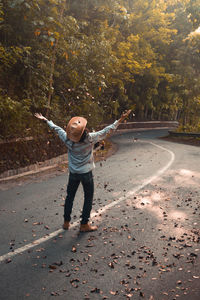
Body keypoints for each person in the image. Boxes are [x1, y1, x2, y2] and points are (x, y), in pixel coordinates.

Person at [35, 109, 131, 232]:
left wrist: (45, 120)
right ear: (84, 130)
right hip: (86, 173)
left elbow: (57, 128)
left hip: (73, 174)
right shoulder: (90, 138)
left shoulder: (67, 139)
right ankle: (84, 224)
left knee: (70, 196)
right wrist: (121, 119)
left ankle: (66, 221)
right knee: (88, 197)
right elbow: (108, 130)